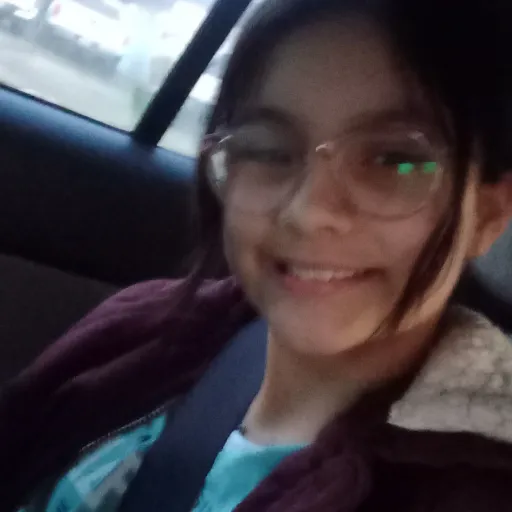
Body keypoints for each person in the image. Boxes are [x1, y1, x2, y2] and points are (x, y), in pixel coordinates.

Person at [3, 0, 512, 510]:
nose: (307, 212)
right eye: (267, 151)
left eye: (395, 161)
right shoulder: (148, 329)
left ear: (488, 216)